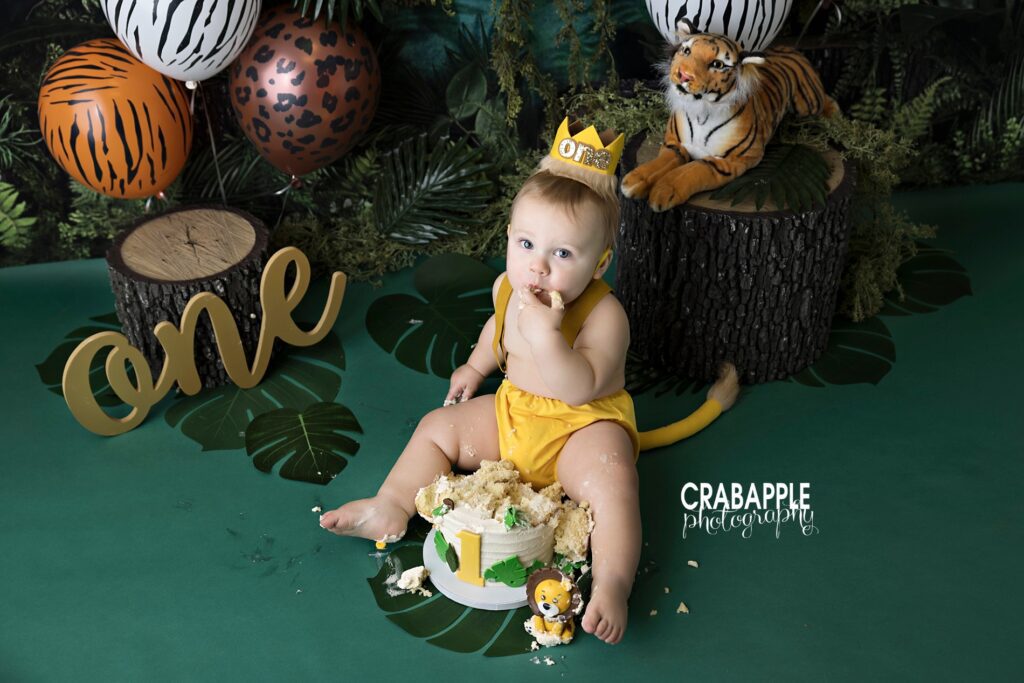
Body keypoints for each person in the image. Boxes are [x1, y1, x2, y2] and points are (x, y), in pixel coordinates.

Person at [321, 120, 736, 645]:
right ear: (510, 239)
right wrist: (475, 367)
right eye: (526, 244)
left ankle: (611, 580)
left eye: (562, 254)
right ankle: (392, 505)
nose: (537, 267)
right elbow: (495, 332)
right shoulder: (507, 287)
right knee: (435, 427)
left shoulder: (604, 315)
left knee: (614, 481)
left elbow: (580, 386)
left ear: (600, 263)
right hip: (514, 413)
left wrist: (545, 336)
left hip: (581, 429)